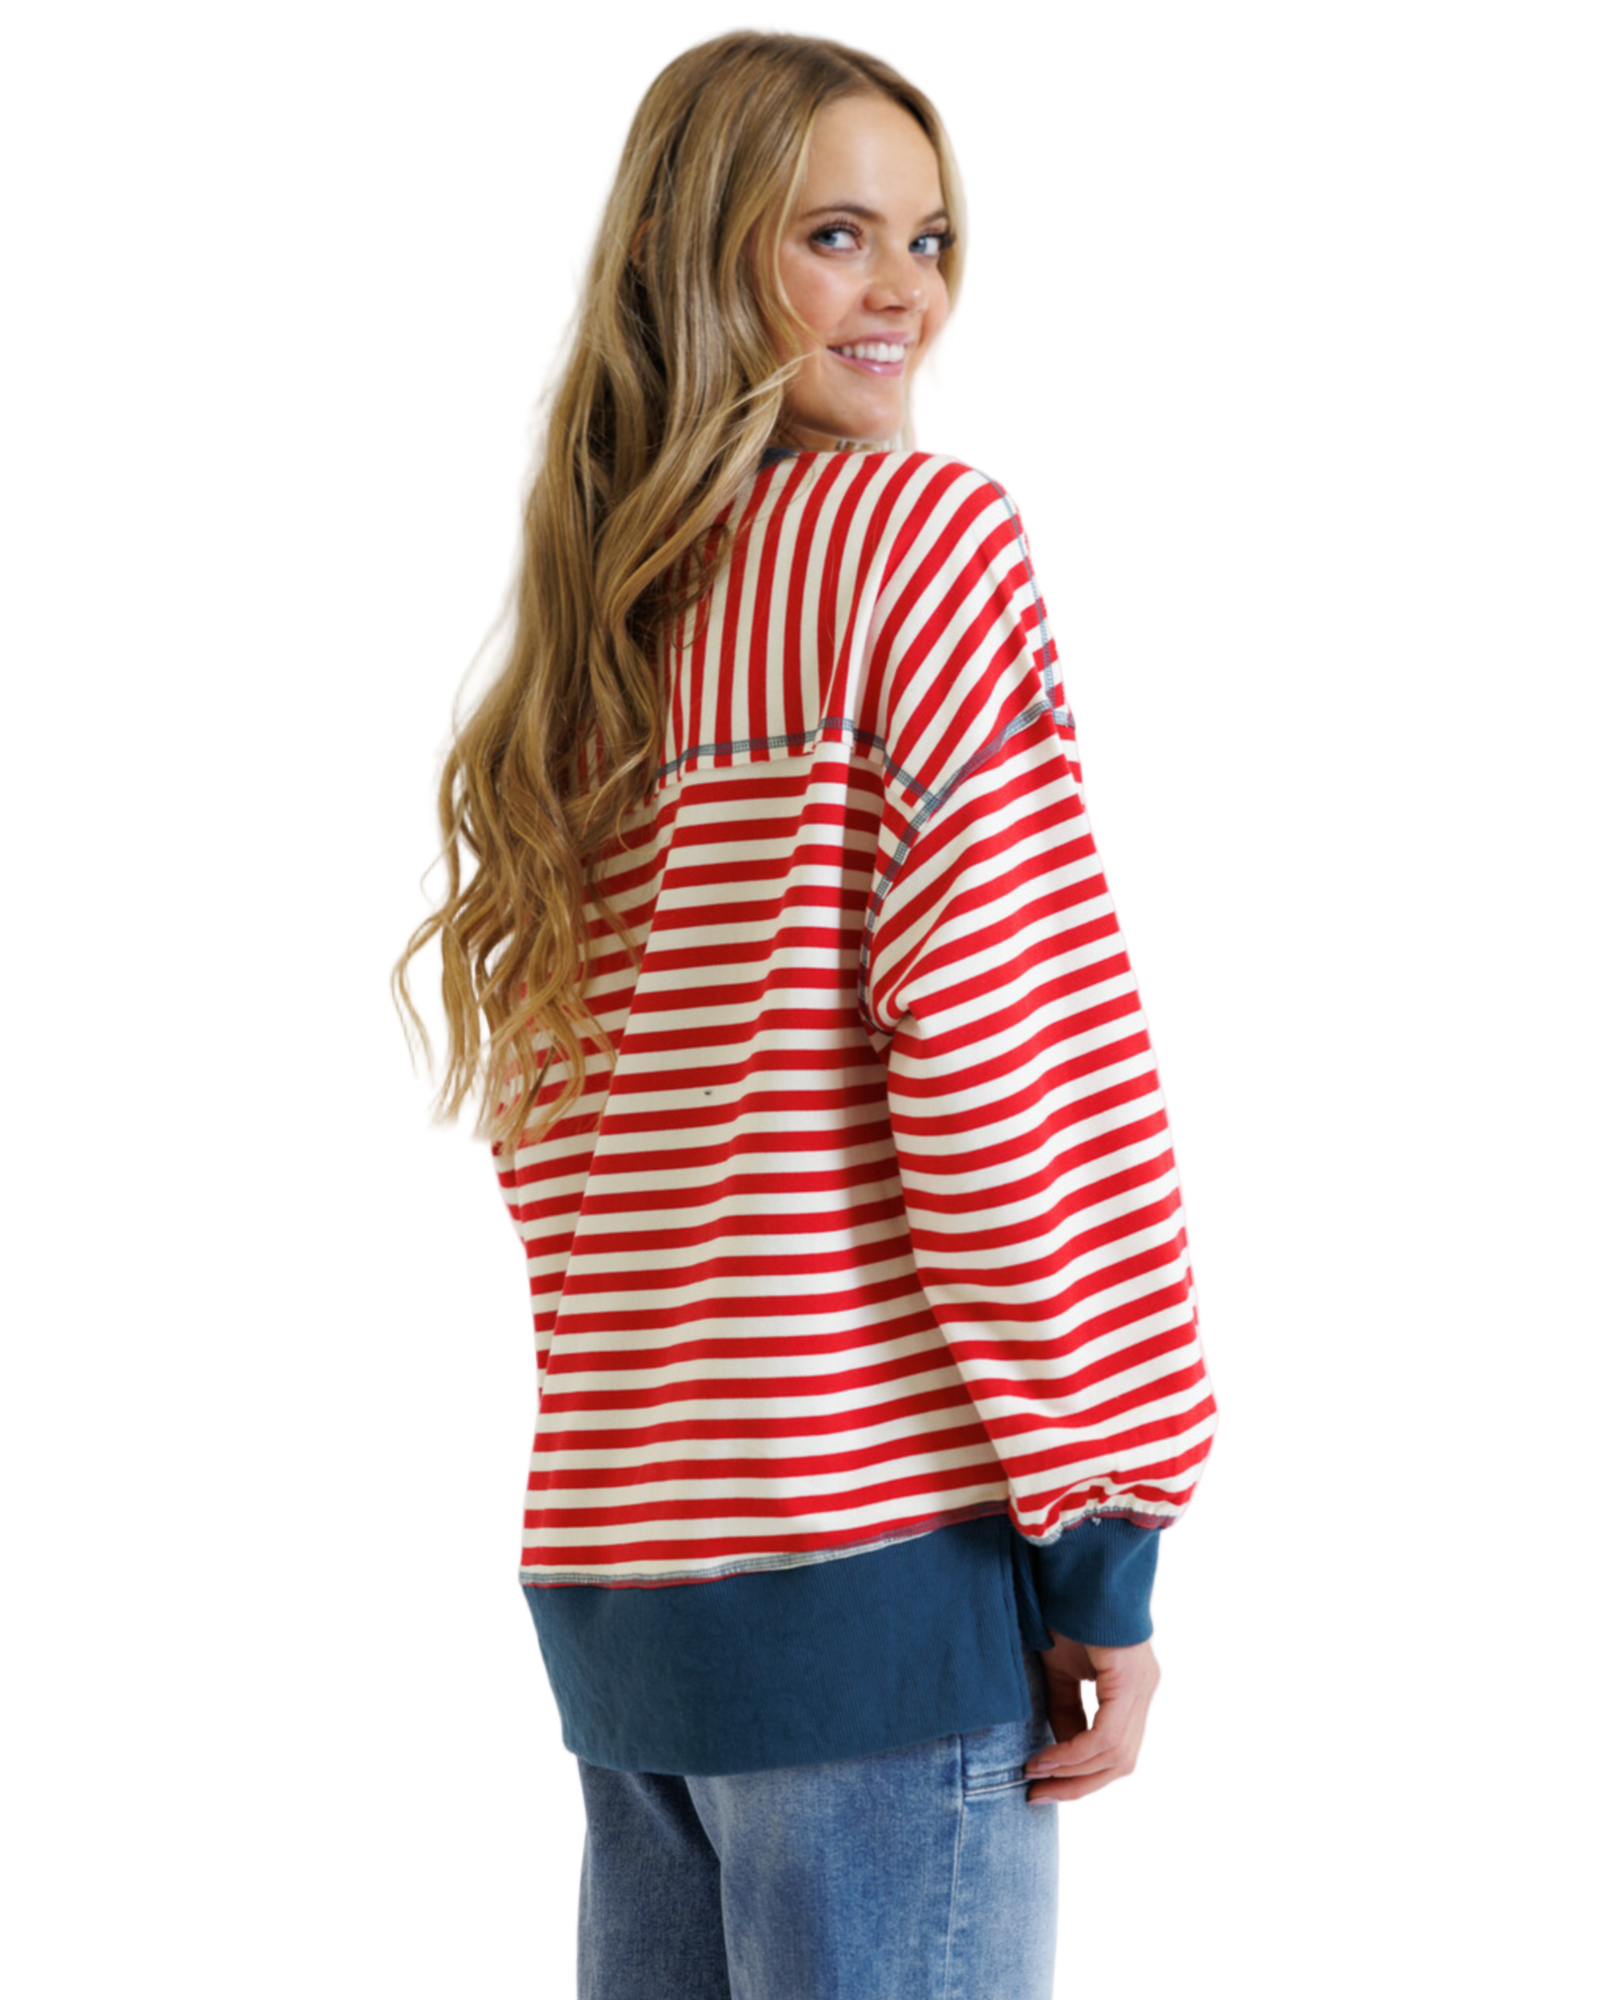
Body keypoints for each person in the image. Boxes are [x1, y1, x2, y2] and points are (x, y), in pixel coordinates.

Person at [392, 29, 1219, 2000]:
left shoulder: (595, 644)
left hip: (631, 1606)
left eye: (926, 237)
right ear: (687, 254)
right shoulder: (922, 546)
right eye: (832, 235)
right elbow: (1011, 1067)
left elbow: (562, 1167)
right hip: (878, 1593)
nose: (901, 290)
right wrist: (1101, 1540)